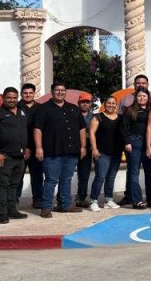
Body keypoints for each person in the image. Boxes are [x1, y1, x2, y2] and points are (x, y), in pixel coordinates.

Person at [33, 82, 87, 217]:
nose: (60, 92)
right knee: (51, 180)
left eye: (63, 90)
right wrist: (38, 147)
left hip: (72, 151)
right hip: (52, 151)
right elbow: (38, 129)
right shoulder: (43, 108)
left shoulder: (73, 108)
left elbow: (81, 129)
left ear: (65, 92)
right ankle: (46, 207)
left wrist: (83, 146)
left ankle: (65, 205)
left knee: (66, 179)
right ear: (52, 92)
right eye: (57, 90)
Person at [0, 86, 30, 224]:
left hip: (20, 157)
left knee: (14, 185)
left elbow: (25, 131)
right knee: (2, 185)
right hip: (4, 157)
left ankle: (12, 210)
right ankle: (2, 214)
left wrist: (27, 147)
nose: (12, 100)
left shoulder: (22, 112)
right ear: (3, 98)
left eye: (14, 98)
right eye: (9, 98)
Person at [88, 95, 123, 211]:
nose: (111, 105)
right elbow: (91, 133)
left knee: (111, 177)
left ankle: (109, 200)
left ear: (116, 105)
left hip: (116, 152)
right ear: (104, 104)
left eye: (113, 103)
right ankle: (93, 201)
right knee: (100, 177)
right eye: (109, 103)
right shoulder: (98, 117)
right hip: (102, 152)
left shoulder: (121, 118)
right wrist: (94, 149)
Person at [121, 89, 151, 209]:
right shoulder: (130, 110)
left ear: (148, 97)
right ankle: (137, 200)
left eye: (144, 96)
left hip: (148, 144)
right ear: (136, 97)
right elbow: (124, 127)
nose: (142, 98)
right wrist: (127, 142)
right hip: (134, 143)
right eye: (139, 96)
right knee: (134, 172)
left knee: (150, 172)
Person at [16, 82, 44, 209]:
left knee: (37, 175)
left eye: (30, 93)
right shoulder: (16, 107)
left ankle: (38, 199)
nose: (28, 95)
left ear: (34, 94)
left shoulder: (41, 108)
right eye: (25, 93)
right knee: (17, 176)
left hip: (36, 147)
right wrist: (24, 147)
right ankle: (14, 200)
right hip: (19, 148)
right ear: (21, 94)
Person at [75, 94, 94, 207]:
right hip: (72, 148)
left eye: (87, 102)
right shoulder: (73, 114)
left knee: (84, 175)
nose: (85, 104)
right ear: (78, 103)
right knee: (65, 175)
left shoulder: (94, 117)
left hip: (87, 149)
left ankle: (81, 198)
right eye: (82, 102)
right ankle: (61, 198)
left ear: (91, 104)